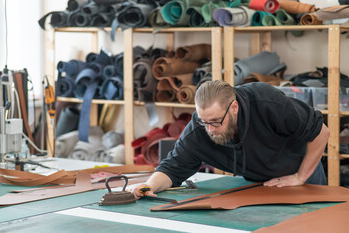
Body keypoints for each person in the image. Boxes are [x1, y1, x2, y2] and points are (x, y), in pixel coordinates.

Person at [131, 80, 330, 199]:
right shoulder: (200, 128)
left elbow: (321, 133)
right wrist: (148, 186)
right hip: (257, 183)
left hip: (301, 174)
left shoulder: (267, 102)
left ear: (234, 108)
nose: (210, 129)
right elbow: (173, 167)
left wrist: (299, 177)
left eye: (216, 121)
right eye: (204, 121)